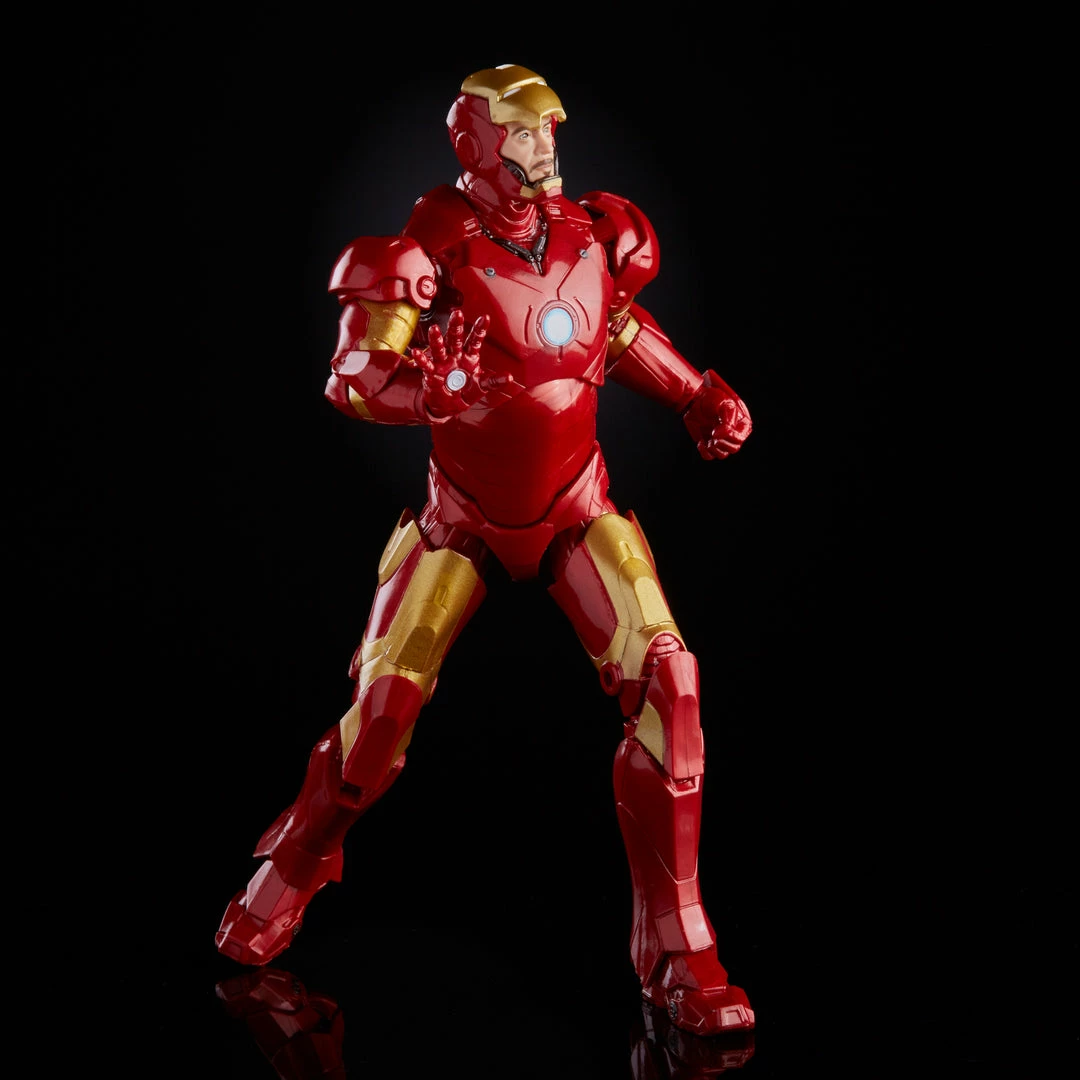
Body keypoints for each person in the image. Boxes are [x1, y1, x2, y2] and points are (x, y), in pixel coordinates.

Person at [216, 64, 754, 1036]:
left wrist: (693, 393)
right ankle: (292, 864)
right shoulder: (428, 244)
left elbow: (611, 327)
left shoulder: (590, 230)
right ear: (475, 144)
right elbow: (354, 378)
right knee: (379, 721)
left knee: (671, 682)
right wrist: (425, 395)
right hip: (458, 521)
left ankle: (678, 945)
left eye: (549, 131)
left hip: (576, 507)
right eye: (523, 135)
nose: (544, 150)